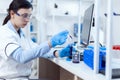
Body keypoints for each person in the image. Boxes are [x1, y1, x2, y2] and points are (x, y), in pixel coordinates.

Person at [0, 0, 72, 80]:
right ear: (12, 14)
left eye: (29, 16)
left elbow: (36, 49)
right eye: (24, 15)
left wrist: (57, 53)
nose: (27, 20)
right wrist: (50, 43)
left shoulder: (20, 34)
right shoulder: (4, 33)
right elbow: (21, 57)